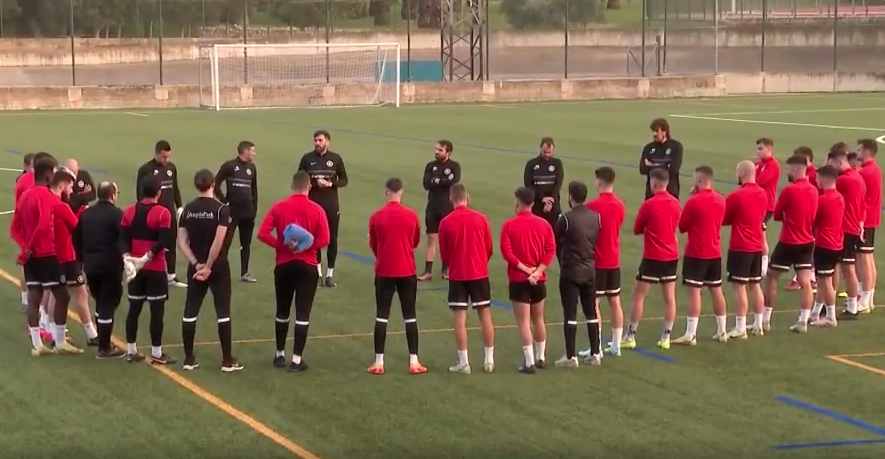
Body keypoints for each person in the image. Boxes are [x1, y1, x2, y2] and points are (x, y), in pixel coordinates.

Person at [258, 171, 330, 372]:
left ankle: (280, 354)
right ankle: (297, 360)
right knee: (302, 313)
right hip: (307, 266)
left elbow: (262, 233)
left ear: (292, 185)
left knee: (282, 310)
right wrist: (306, 246)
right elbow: (325, 240)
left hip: (283, 265)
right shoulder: (317, 210)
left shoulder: (279, 207)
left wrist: (281, 246)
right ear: (309, 187)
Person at [11, 154, 81, 356]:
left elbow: (14, 228)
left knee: (34, 297)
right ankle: (59, 341)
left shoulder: (25, 195)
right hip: (46, 254)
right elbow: (51, 223)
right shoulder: (46, 196)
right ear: (50, 174)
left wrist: (25, 249)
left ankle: (37, 344)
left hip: (31, 257)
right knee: (63, 295)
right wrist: (32, 247)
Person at [178, 169, 243, 372]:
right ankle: (227, 360)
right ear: (214, 184)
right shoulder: (221, 210)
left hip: (195, 266)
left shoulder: (188, 209)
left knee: (190, 311)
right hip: (218, 266)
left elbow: (181, 241)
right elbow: (219, 241)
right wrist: (208, 266)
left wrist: (196, 263)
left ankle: (189, 359)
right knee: (222, 311)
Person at [366, 178, 427, 375]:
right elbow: (415, 241)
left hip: (384, 270)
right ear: (401, 192)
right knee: (410, 316)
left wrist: (384, 253)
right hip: (407, 270)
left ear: (386, 192)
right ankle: (414, 361)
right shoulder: (412, 215)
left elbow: (374, 244)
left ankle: (379, 362)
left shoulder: (376, 217)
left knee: (381, 316)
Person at [438, 183, 495, 374]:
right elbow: (489, 248)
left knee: (460, 320)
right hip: (479, 273)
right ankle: (489, 360)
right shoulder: (481, 218)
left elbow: (444, 254)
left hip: (458, 275)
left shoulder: (446, 222)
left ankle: (464, 362)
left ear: (450, 199)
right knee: (485, 316)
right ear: (467, 197)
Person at [120, 176, 177, 365]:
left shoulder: (128, 212)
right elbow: (163, 240)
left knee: (134, 309)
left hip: (134, 269)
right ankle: (156, 353)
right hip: (155, 268)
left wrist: (128, 259)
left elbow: (122, 239)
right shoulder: (163, 213)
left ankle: (131, 350)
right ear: (159, 192)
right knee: (157, 310)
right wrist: (146, 258)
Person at [500, 186, 556, 373]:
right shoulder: (544, 224)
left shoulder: (509, 225)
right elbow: (550, 250)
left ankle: (529, 361)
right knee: (539, 318)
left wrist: (525, 270)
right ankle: (541, 356)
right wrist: (537, 272)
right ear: (533, 203)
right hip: (538, 280)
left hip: (518, 279)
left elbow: (507, 253)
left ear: (517, 203)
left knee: (524, 322)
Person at [625, 168, 681, 350]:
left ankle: (631, 335)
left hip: (652, 256)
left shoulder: (649, 204)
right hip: (671, 255)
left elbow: (636, 229)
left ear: (654, 183)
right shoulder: (676, 203)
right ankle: (666, 337)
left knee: (639, 295)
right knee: (669, 298)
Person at [673, 166, 728, 345]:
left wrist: (692, 198)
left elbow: (682, 226)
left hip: (696, 252)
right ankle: (722, 331)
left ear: (698, 180)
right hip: (715, 251)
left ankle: (691, 334)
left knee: (694, 292)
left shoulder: (694, 202)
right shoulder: (721, 200)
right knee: (716, 290)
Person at [764, 155, 819, 333]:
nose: (786, 172)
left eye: (788, 169)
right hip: (807, 240)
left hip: (789, 240)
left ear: (795, 169)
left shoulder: (790, 190)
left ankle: (765, 319)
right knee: (805, 281)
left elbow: (778, 214)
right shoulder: (814, 190)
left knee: (772, 276)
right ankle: (803, 320)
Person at [74, 181, 126, 358]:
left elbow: (77, 239)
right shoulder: (117, 215)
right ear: (112, 195)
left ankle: (103, 340)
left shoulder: (87, 214)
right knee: (107, 304)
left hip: (91, 265)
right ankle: (104, 347)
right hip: (110, 265)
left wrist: (83, 260)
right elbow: (124, 239)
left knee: (99, 302)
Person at [554, 181, 602, 367]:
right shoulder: (596, 217)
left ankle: (570, 356)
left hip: (571, 271)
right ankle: (595, 352)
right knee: (591, 312)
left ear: (570, 197)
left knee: (570, 313)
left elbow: (555, 238)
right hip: (590, 270)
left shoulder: (566, 219)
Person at [50, 167, 98, 346]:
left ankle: (55, 336)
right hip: (66, 255)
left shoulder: (46, 200)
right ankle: (92, 334)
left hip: (50, 254)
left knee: (57, 295)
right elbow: (77, 227)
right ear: (62, 186)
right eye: (70, 187)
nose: (71, 191)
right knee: (80, 293)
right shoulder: (60, 206)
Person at [580, 167, 626, 358]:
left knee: (594, 303)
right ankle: (616, 345)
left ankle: (595, 346)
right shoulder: (620, 205)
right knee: (615, 301)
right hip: (614, 260)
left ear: (599, 182)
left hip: (597, 261)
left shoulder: (592, 206)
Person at [297, 130, 348, 288]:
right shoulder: (307, 159)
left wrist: (331, 184)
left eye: (320, 140)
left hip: (331, 205)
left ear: (327, 141)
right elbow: (299, 179)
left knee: (332, 239)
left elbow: (344, 180)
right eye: (315, 141)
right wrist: (311, 184)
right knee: (314, 239)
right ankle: (318, 274)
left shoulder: (336, 158)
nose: (317, 143)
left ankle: (330, 274)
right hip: (312, 206)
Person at [724, 161, 768, 338]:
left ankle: (740, 327)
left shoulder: (737, 195)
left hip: (740, 246)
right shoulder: (763, 193)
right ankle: (758, 324)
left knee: (739, 286)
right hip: (757, 245)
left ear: (741, 174)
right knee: (755, 285)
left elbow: (725, 219)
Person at [136, 140, 185, 288]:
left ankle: (171, 276)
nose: (166, 160)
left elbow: (175, 188)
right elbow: (140, 193)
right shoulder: (146, 169)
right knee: (151, 244)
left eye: (168, 157)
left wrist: (180, 206)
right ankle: (146, 273)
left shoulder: (171, 168)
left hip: (169, 215)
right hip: (153, 215)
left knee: (170, 244)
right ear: (157, 154)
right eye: (163, 157)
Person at [827, 146, 867, 319]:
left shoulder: (844, 181)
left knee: (846, 268)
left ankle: (851, 307)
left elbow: (824, 188)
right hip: (850, 228)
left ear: (838, 162)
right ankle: (833, 303)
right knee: (836, 268)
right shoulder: (857, 177)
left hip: (844, 229)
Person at [215, 140, 259, 283]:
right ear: (245, 151)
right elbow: (215, 183)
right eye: (252, 150)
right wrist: (224, 201)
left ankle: (244, 273)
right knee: (225, 242)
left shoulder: (252, 168)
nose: (254, 153)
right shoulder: (229, 166)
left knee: (246, 244)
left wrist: (254, 209)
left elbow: (254, 190)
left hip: (248, 212)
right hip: (232, 211)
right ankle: (221, 271)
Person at [418, 140, 460, 282]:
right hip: (432, 207)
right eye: (436, 149)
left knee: (447, 240)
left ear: (448, 152)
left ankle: (445, 269)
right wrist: (441, 181)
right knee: (431, 239)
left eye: (440, 150)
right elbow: (426, 183)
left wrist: (436, 181)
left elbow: (453, 181)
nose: (437, 152)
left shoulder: (454, 166)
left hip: (447, 207)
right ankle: (428, 271)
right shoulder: (430, 166)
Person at [809, 166, 845, 328]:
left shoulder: (823, 200)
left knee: (825, 282)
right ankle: (816, 312)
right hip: (836, 242)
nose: (816, 181)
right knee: (824, 280)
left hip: (824, 243)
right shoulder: (839, 197)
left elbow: (813, 220)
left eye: (818, 178)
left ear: (824, 178)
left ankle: (830, 316)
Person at [785, 146, 818, 292]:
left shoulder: (811, 176)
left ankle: (804, 278)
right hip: (811, 215)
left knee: (807, 245)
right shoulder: (813, 173)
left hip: (809, 216)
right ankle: (810, 277)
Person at [855, 138, 880, 313]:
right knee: (868, 258)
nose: (857, 153)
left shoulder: (865, 172)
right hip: (872, 217)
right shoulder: (875, 169)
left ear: (866, 152)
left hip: (865, 218)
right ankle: (868, 298)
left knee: (863, 259)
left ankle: (864, 299)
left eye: (859, 150)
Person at [523, 137, 564, 231]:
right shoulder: (531, 164)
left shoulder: (557, 163)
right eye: (545, 152)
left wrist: (550, 202)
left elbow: (558, 184)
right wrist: (542, 198)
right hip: (537, 205)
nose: (547, 155)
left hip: (553, 206)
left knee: (554, 233)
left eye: (549, 152)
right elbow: (528, 185)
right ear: (540, 148)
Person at [755, 138, 780, 279]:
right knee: (757, 233)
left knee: (760, 234)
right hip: (756, 204)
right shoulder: (758, 165)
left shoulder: (773, 165)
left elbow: (759, 181)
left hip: (766, 205)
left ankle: (764, 264)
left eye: (761, 149)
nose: (758, 151)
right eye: (757, 149)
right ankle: (760, 263)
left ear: (769, 149)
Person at [639, 118, 683, 200]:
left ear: (664, 131)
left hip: (671, 192)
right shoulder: (648, 148)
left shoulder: (676, 147)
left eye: (656, 131)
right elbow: (642, 169)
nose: (654, 134)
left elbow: (674, 169)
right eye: (653, 131)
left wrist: (651, 165)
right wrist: (665, 164)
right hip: (651, 194)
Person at [14, 152, 36, 308]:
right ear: (27, 166)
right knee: (26, 262)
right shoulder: (24, 181)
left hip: (27, 225)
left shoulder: (24, 180)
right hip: (27, 226)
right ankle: (24, 298)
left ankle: (28, 299)